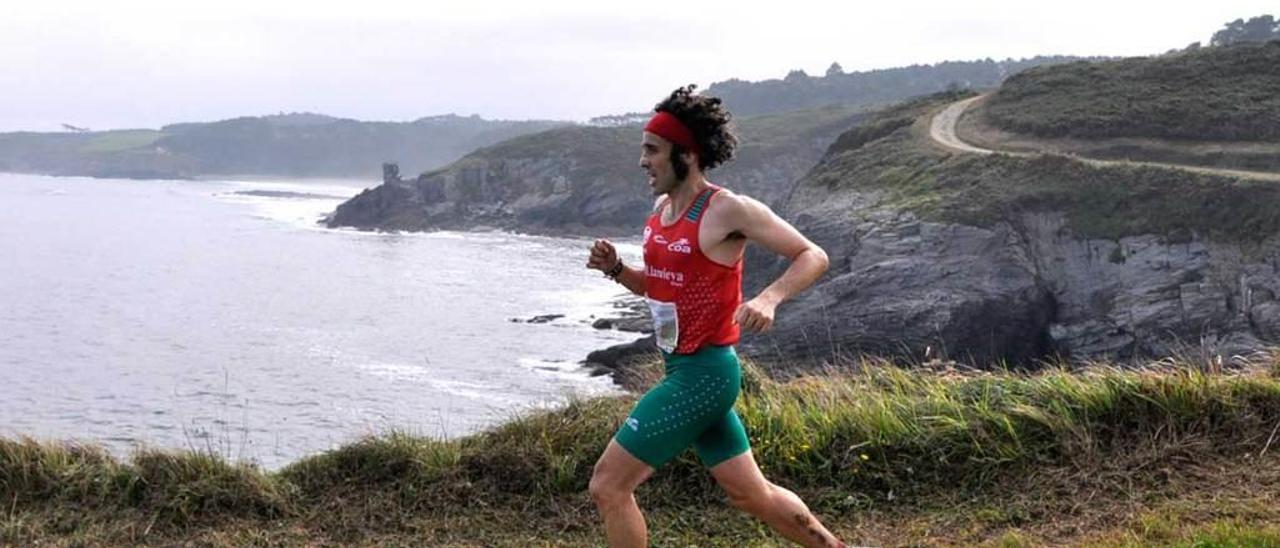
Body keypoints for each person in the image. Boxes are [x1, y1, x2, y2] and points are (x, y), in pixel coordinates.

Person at [585, 85, 844, 548]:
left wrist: (768, 299)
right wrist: (618, 270)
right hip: (685, 368)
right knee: (752, 495)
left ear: (685, 154)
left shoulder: (729, 210)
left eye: (652, 150)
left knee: (609, 485)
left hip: (703, 374)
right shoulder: (661, 211)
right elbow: (660, 288)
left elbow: (812, 254)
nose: (643, 161)